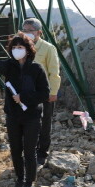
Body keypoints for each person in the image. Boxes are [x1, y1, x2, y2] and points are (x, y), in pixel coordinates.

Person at [0, 33, 50, 187]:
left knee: (30, 151)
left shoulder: (37, 69)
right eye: (14, 47)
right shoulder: (10, 66)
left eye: (20, 47)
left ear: (28, 50)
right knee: (15, 150)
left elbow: (44, 93)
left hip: (31, 116)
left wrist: (23, 97)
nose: (17, 50)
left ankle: (29, 184)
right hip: (13, 116)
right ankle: (19, 180)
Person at [21, 18, 61, 165]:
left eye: (30, 30)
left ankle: (42, 152)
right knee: (28, 123)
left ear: (39, 32)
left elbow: (54, 72)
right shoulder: (21, 47)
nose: (27, 33)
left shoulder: (48, 48)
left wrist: (53, 92)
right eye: (24, 30)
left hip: (43, 93)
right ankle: (29, 152)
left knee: (44, 123)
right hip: (26, 93)